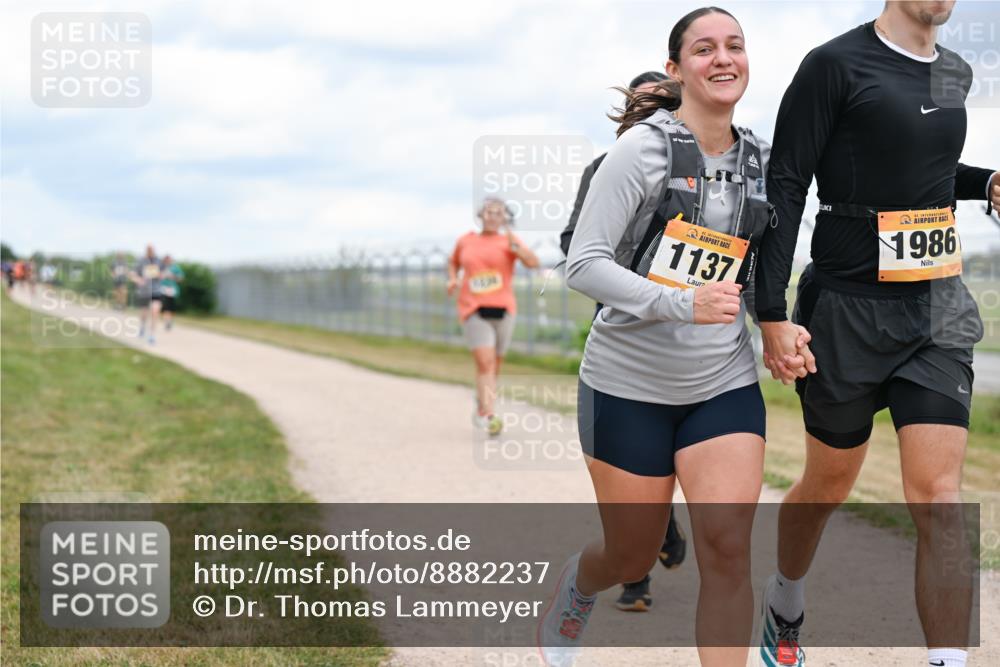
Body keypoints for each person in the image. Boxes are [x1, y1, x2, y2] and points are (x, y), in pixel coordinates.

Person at [539, 7, 809, 666]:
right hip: (626, 381)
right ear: (677, 68)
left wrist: (779, 325)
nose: (723, 58)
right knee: (630, 551)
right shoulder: (642, 151)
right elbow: (584, 264)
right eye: (704, 48)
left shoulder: (762, 161)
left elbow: (769, 264)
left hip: (719, 382)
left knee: (725, 548)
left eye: (735, 46)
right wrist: (680, 302)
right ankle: (581, 585)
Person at [754, 2, 1000, 666]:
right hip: (846, 310)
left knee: (940, 496)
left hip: (936, 308)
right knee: (829, 482)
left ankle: (948, 658)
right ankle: (785, 599)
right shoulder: (833, 65)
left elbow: (924, 172)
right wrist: (771, 311)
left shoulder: (952, 71)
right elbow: (786, 183)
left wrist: (987, 183)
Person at [561, 70, 689, 613]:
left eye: (661, 102)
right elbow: (575, 244)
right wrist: (627, 266)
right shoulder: (605, 166)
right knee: (630, 465)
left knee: (672, 454)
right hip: (624, 331)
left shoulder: (700, 168)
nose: (651, 111)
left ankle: (663, 527)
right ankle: (637, 578)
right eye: (641, 103)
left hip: (689, 334)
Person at [448, 198, 540, 436]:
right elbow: (453, 262)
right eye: (488, 212)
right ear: (481, 215)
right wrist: (453, 278)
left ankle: (482, 399)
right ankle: (488, 415)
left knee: (495, 364)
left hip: (503, 309)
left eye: (497, 213)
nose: (492, 216)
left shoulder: (508, 241)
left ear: (504, 218)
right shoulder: (466, 240)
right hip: (473, 309)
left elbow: (533, 263)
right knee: (485, 362)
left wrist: (516, 248)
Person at [131, 245, 163, 345]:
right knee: (144, 313)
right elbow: (132, 274)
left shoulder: (158, 261)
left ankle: (152, 335)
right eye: (149, 250)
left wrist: (160, 275)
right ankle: (142, 327)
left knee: (155, 311)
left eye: (152, 250)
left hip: (156, 290)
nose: (150, 252)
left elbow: (164, 273)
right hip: (144, 291)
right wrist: (138, 280)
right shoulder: (141, 261)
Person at [158, 255, 184, 331]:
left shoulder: (175, 268)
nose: (168, 261)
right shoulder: (161, 267)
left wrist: (172, 276)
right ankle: (166, 321)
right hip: (163, 289)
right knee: (165, 306)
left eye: (169, 259)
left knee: (171, 307)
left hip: (172, 290)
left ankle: (170, 320)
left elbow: (181, 278)